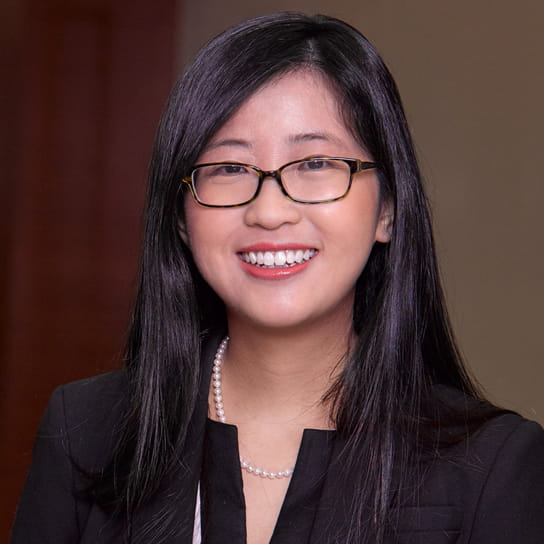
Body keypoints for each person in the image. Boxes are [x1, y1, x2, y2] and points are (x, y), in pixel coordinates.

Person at [11, 12, 544, 544]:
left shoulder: (491, 465)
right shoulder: (84, 431)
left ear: (388, 209)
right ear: (181, 216)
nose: (269, 212)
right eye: (229, 168)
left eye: (315, 163)